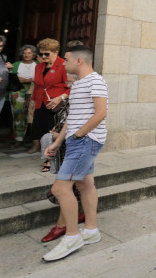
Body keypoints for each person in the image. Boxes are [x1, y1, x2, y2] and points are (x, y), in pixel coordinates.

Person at [42, 45, 108, 261]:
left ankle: (71, 237)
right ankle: (91, 231)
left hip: (85, 141)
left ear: (79, 61)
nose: (63, 62)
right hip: (76, 141)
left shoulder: (95, 80)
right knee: (85, 184)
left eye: (67, 59)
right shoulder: (79, 84)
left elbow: (101, 113)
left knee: (60, 188)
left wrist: (79, 135)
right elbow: (71, 117)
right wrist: (58, 142)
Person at [28, 39, 70, 158]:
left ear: (56, 52)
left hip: (56, 106)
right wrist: (34, 104)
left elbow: (71, 87)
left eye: (47, 54)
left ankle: (51, 159)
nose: (43, 56)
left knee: (53, 131)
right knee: (39, 130)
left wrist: (59, 98)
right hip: (41, 104)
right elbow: (37, 86)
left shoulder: (63, 65)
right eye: (41, 54)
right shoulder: (39, 67)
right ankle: (45, 154)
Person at [9, 44, 37, 146]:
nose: (26, 55)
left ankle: (34, 139)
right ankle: (18, 139)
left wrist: (24, 79)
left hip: (34, 90)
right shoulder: (16, 64)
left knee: (33, 114)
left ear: (34, 54)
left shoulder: (39, 64)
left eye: (29, 53)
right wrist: (29, 80)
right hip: (18, 91)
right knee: (18, 115)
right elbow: (12, 78)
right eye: (24, 53)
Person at [0, 35, 11, 132]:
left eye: (1, 46)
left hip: (0, 96)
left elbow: (4, 74)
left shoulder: (3, 57)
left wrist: (9, 70)